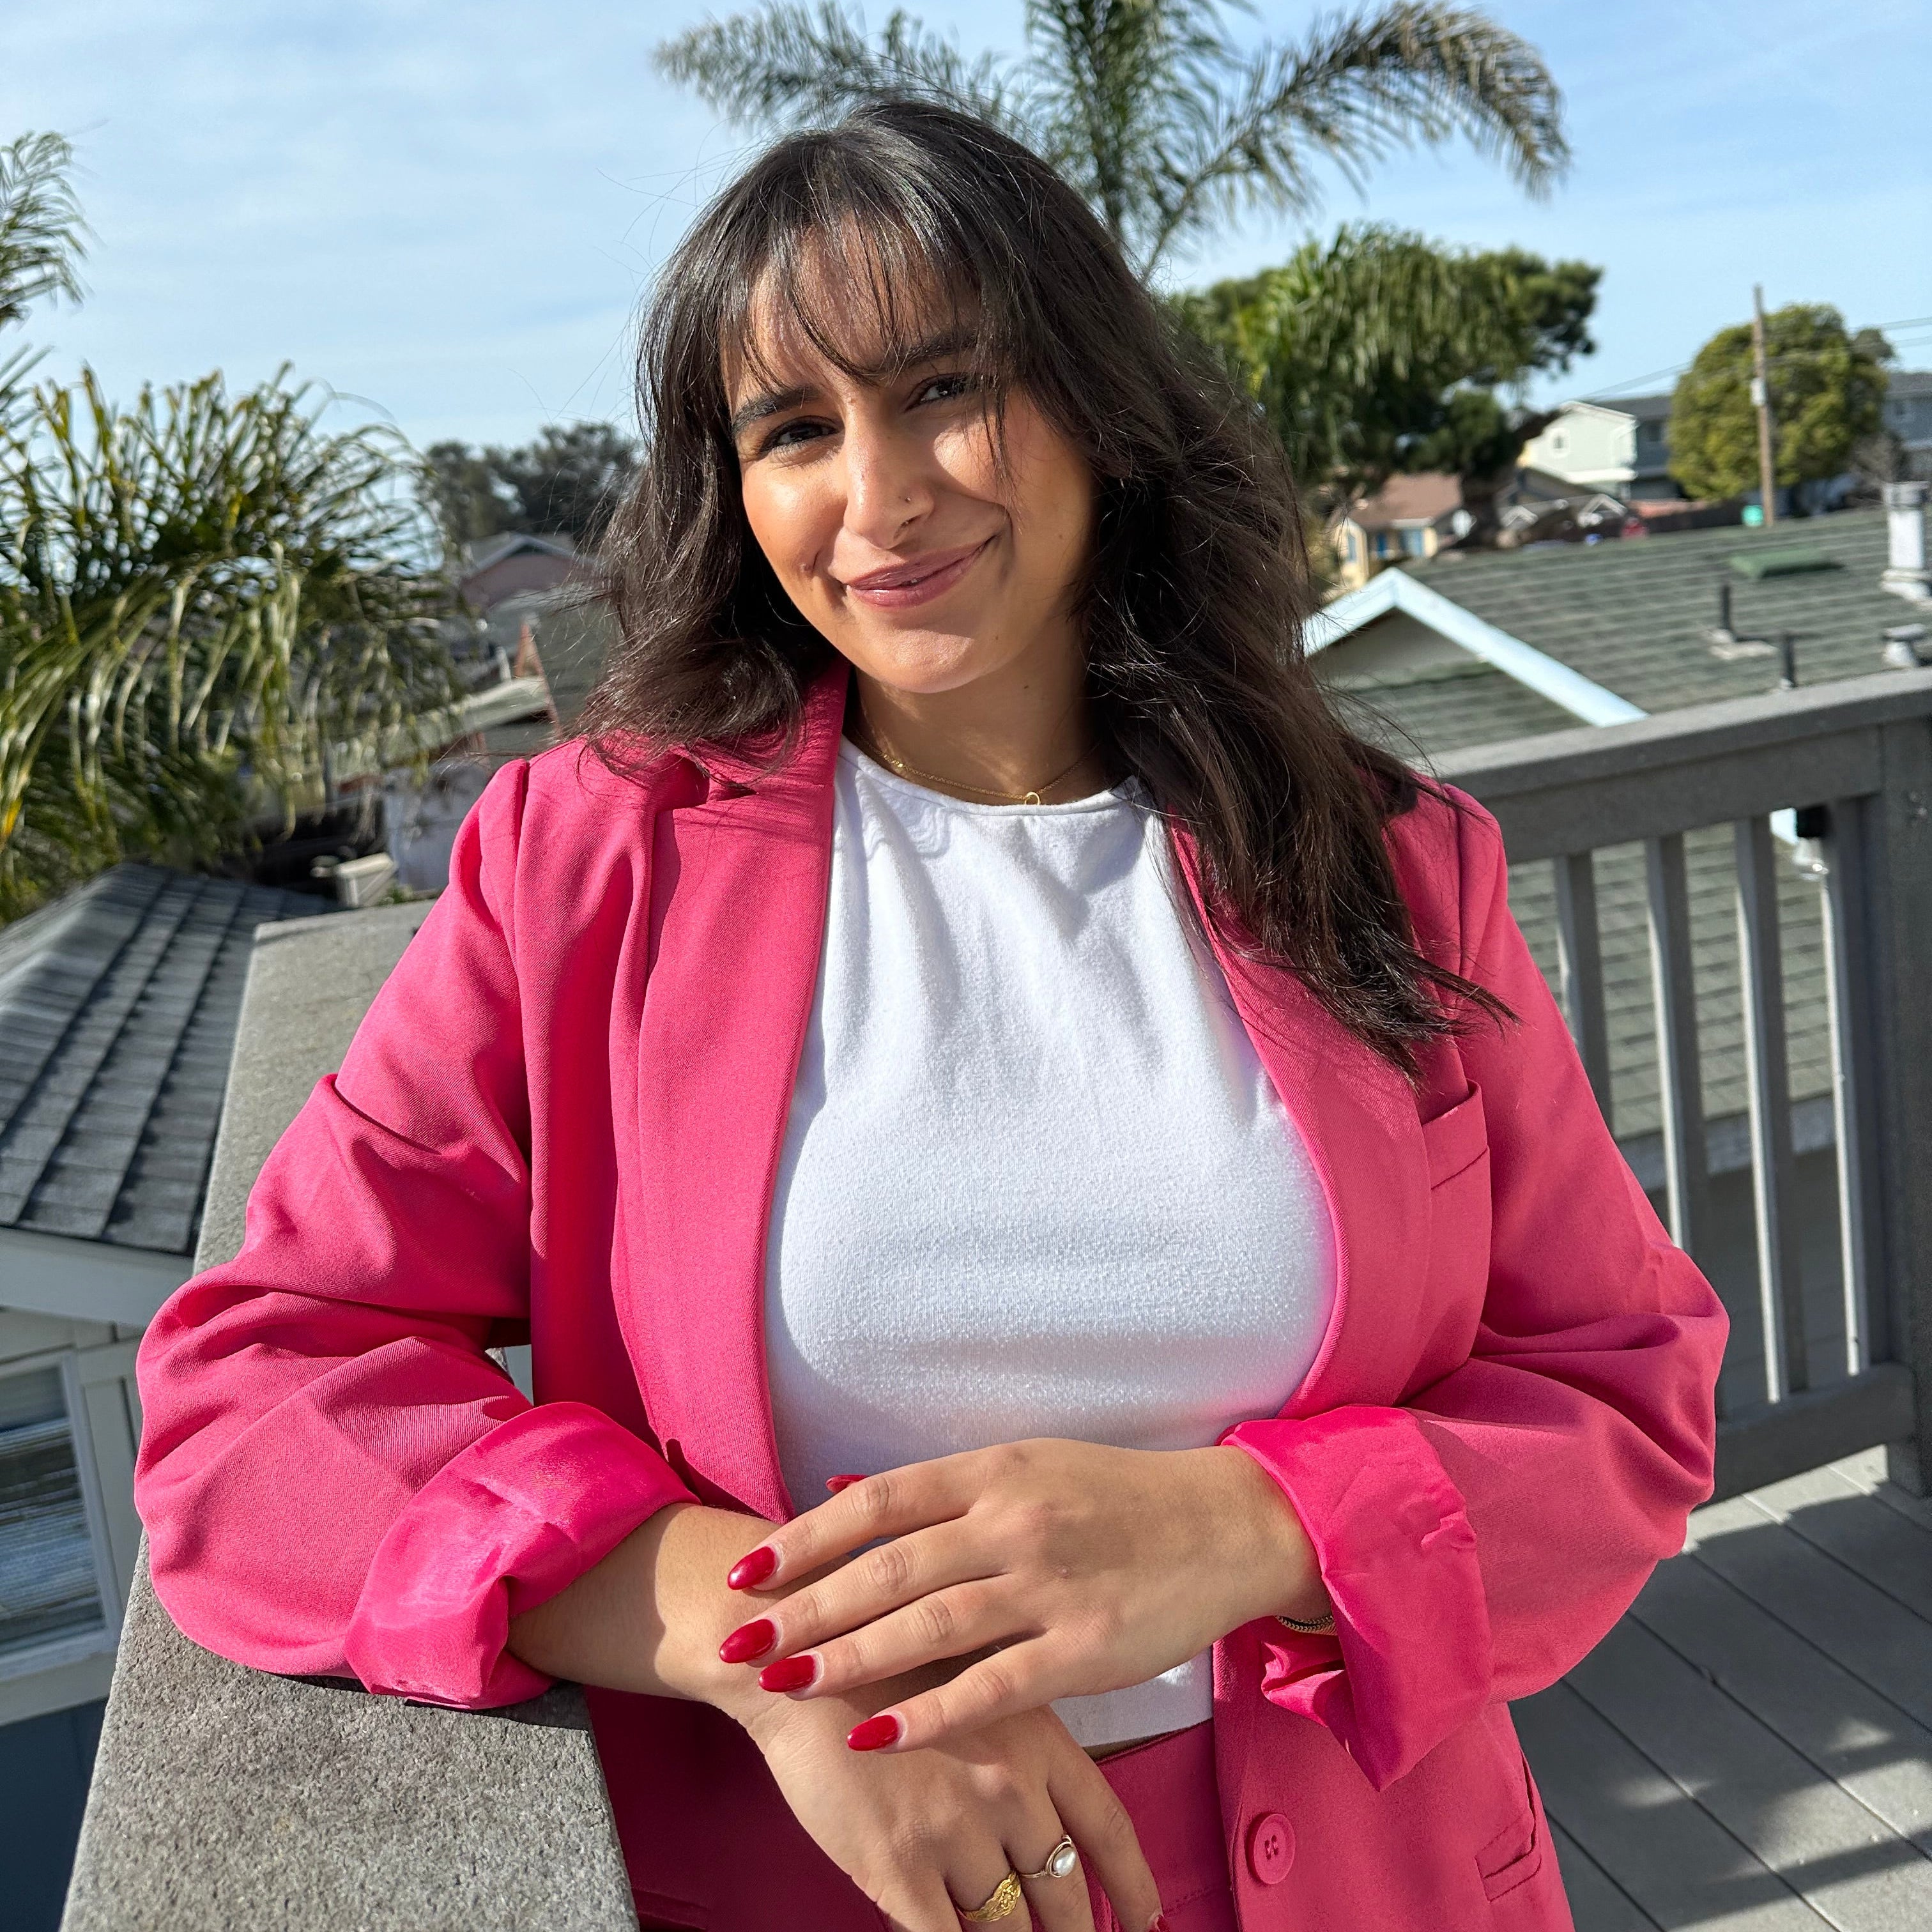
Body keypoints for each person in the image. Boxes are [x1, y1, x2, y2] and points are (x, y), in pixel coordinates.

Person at [134, 98, 1726, 1932]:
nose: (879, 501)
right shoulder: (589, 868)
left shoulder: (1382, 859)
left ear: (1096, 409)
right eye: (796, 429)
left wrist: (1256, 1532)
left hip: (1380, 1877)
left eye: (947, 390)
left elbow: (1625, 1391)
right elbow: (249, 1402)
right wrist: (779, 1640)